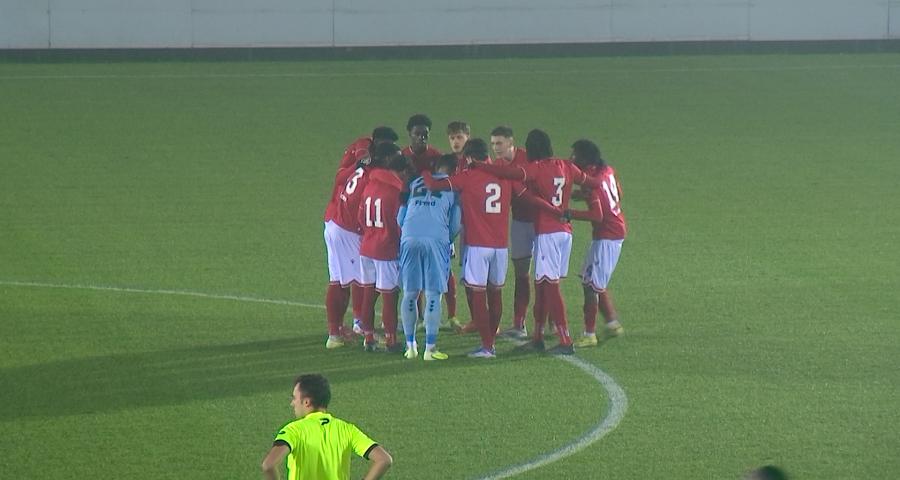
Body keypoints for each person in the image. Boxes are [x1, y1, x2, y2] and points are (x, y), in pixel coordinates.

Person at [423, 139, 561, 358]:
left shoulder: (467, 176)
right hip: (500, 248)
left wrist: (423, 172)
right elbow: (529, 198)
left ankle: (487, 346)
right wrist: (555, 209)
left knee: (478, 295)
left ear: (469, 158)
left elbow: (434, 185)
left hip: (477, 247)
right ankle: (491, 341)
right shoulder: (505, 175)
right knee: (495, 294)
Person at [471, 129, 602, 355]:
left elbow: (509, 174)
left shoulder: (536, 169)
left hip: (548, 233)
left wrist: (479, 165)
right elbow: (593, 182)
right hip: (565, 233)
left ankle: (565, 339)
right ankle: (538, 337)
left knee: (550, 287)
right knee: (541, 285)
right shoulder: (567, 166)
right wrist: (599, 187)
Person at [323, 127, 400, 345]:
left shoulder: (361, 166)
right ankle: (359, 326)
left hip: (334, 222)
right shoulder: (375, 175)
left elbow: (340, 178)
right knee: (358, 280)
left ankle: (335, 333)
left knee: (339, 279)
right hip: (347, 229)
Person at [261, 374, 392, 480]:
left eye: (294, 398)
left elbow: (268, 465)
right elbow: (384, 459)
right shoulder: (347, 429)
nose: (292, 403)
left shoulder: (293, 430)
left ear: (306, 402)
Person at [397, 154, 462, 360]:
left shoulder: (416, 182)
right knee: (433, 294)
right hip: (436, 239)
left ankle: (410, 347)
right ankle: (430, 349)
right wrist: (446, 239)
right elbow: (455, 224)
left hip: (409, 237)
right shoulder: (454, 188)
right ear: (455, 171)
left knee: (410, 293)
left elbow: (400, 218)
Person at [565, 140, 627, 347]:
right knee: (590, 280)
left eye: (575, 155)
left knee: (592, 285)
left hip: (607, 236)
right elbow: (618, 193)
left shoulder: (590, 179)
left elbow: (597, 215)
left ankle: (589, 333)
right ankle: (612, 323)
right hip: (612, 231)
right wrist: (581, 195)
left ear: (584, 158)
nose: (572, 158)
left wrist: (569, 213)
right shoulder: (607, 170)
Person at [357, 144, 410, 352]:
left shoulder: (370, 184)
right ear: (402, 171)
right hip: (386, 250)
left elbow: (361, 217)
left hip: (367, 247)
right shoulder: (396, 192)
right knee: (390, 295)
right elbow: (397, 224)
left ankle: (368, 337)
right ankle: (391, 340)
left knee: (368, 293)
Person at [490, 126, 534, 339]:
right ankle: (520, 323)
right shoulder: (498, 165)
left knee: (549, 277)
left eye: (499, 143)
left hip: (542, 223)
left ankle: (552, 324)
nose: (495, 148)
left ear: (510, 142)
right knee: (522, 274)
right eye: (493, 144)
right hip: (519, 223)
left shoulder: (528, 157)